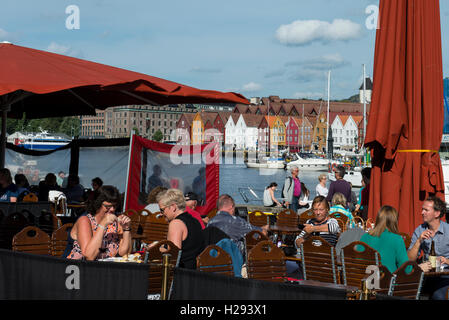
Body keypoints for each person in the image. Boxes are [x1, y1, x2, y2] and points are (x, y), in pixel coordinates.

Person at [66, 185, 132, 260]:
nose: (112, 209)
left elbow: (124, 254)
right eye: (108, 206)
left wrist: (126, 229)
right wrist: (102, 225)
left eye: (114, 206)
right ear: (97, 204)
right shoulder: (85, 220)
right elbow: (89, 256)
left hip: (105, 268)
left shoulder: (116, 222)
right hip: (77, 268)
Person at [407, 196, 449, 300]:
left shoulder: (448, 230)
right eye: (422, 209)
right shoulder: (420, 230)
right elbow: (409, 259)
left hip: (445, 275)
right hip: (426, 275)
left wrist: (446, 261)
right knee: (409, 293)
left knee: (438, 297)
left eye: (426, 210)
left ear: (437, 213)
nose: (422, 212)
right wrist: (418, 241)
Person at [154, 188, 205, 269]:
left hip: (182, 274)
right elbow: (188, 246)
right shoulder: (195, 221)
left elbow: (174, 255)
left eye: (162, 210)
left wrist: (156, 249)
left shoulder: (176, 223)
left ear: (173, 207)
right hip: (196, 271)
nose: (161, 214)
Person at [359, 205, 409, 273]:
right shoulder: (397, 239)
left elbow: (357, 261)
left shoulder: (365, 237)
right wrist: (419, 267)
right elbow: (406, 269)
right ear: (394, 221)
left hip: (366, 280)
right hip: (387, 281)